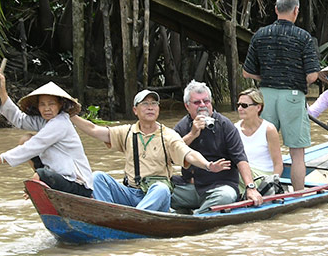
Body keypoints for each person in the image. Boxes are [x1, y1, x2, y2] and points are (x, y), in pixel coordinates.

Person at [70, 89, 230, 212]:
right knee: (98, 177)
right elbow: (93, 130)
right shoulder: (126, 132)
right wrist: (70, 115)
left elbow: (189, 154)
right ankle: (106, 215)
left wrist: (208, 165)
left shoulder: (167, 135)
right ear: (135, 110)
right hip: (131, 192)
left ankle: (135, 219)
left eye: (154, 104)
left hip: (155, 195)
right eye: (145, 104)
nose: (150, 108)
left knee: (161, 188)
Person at [243, 0, 320, 192]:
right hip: (293, 97)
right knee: (297, 154)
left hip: (264, 96)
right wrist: (293, 79)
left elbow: (247, 72)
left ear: (276, 10)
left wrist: (268, 78)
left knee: (263, 147)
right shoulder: (303, 37)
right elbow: (312, 76)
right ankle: (298, 195)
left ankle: (258, 189)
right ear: (296, 11)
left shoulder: (260, 34)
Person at [0, 74, 93, 197]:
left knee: (41, 174)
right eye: (42, 104)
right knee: (25, 139)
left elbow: (33, 146)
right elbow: (19, 119)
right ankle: (40, 183)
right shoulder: (44, 121)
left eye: (51, 104)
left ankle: (39, 182)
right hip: (58, 176)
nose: (47, 108)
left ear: (60, 105)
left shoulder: (60, 123)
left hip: (77, 183)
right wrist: (2, 92)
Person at [171, 80, 263, 214]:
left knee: (225, 197)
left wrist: (250, 187)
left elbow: (240, 159)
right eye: (197, 102)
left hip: (220, 187)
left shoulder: (225, 125)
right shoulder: (181, 127)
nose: (202, 105)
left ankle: (194, 217)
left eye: (206, 101)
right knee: (161, 190)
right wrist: (192, 134)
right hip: (191, 187)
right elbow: (171, 156)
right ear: (187, 106)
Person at [234, 88, 283, 195]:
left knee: (233, 170)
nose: (240, 108)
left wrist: (272, 184)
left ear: (258, 107)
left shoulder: (268, 129)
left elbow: (278, 163)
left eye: (244, 105)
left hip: (262, 176)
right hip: (243, 174)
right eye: (238, 105)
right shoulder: (235, 128)